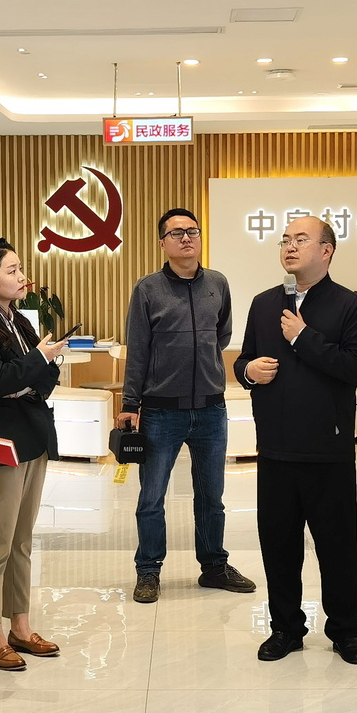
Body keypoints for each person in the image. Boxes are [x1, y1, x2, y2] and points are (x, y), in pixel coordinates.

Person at [234, 215, 357, 665]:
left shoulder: (349, 306)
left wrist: (304, 337)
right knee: (278, 545)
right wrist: (248, 371)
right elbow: (243, 361)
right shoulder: (263, 304)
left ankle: (346, 632)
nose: (290, 247)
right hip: (275, 448)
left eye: (300, 239)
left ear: (326, 250)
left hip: (327, 450)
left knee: (337, 546)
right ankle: (285, 629)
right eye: (285, 240)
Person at [117, 207, 256, 604]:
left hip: (211, 408)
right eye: (176, 233)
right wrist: (130, 402)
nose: (186, 238)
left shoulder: (218, 283)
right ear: (162, 243)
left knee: (212, 497)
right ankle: (148, 571)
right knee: (151, 498)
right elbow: (138, 349)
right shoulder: (148, 289)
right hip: (160, 411)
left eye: (192, 231)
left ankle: (214, 566)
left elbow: (222, 334)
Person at [0, 236, 67, 670]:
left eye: (21, 269)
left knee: (21, 541)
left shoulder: (19, 321)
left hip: (32, 439)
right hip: (0, 446)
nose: (22, 277)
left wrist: (33, 371)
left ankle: (21, 626)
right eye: (12, 271)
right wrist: (32, 366)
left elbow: (42, 378)